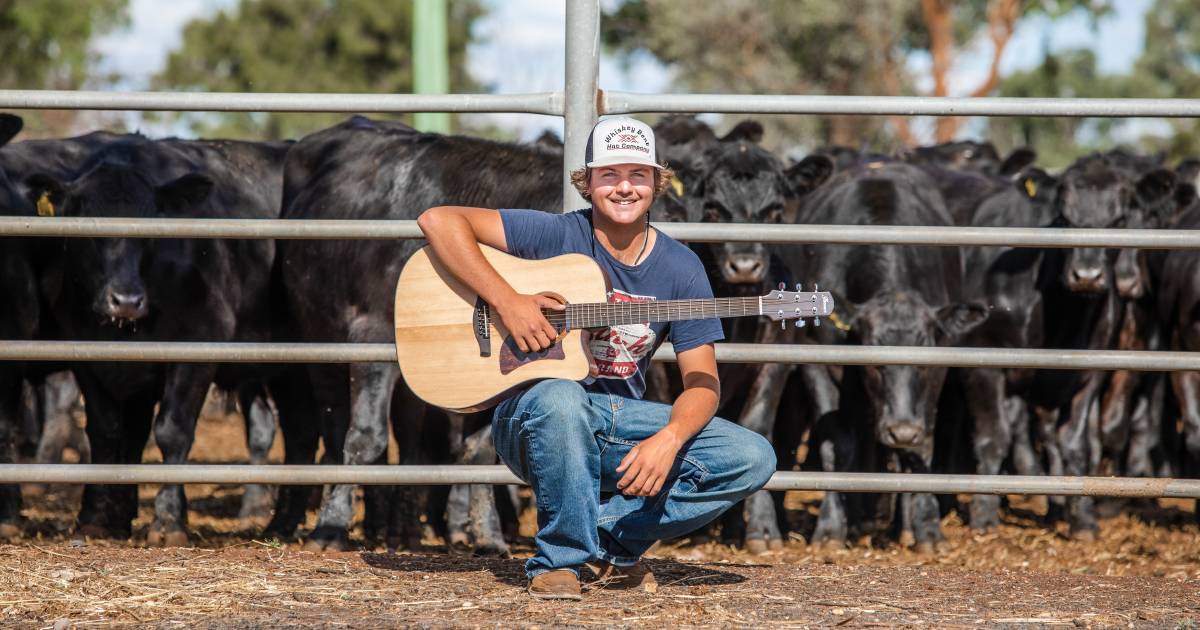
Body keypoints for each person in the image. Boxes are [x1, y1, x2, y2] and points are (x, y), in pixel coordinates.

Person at [417, 117, 775, 600]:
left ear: (657, 183)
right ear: (587, 182)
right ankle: (559, 561)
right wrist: (507, 301)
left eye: (638, 175)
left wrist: (669, 438)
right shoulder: (552, 235)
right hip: (532, 420)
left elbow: (703, 382)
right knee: (562, 396)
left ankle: (608, 544)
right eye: (609, 175)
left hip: (617, 425)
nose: (624, 188)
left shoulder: (682, 267)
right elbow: (438, 220)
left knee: (752, 456)